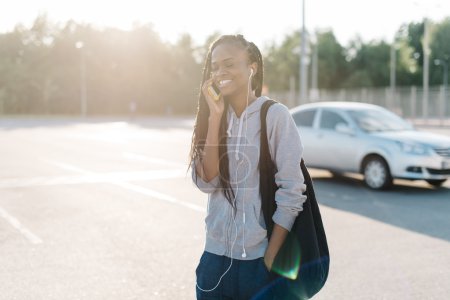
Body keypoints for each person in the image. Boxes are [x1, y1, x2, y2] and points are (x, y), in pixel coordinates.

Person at [188, 34, 307, 300]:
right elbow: (208, 182)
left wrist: (269, 258)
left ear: (251, 66)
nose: (221, 72)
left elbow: (291, 192)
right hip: (214, 260)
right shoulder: (211, 116)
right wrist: (216, 116)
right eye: (215, 66)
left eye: (229, 64)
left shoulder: (275, 116)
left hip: (258, 263)